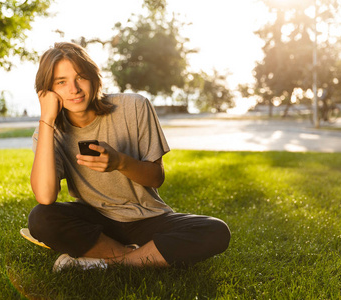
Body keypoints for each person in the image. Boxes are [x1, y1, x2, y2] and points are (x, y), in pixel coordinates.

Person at [28, 42, 231, 271]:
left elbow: (156, 178)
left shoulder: (134, 106)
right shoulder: (48, 132)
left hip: (146, 218)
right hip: (96, 221)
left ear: (94, 78)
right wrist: (46, 120)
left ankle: (107, 264)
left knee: (215, 230)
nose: (74, 89)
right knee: (41, 217)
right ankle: (139, 258)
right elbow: (45, 196)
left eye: (81, 77)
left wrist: (119, 162)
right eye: (61, 82)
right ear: (47, 91)